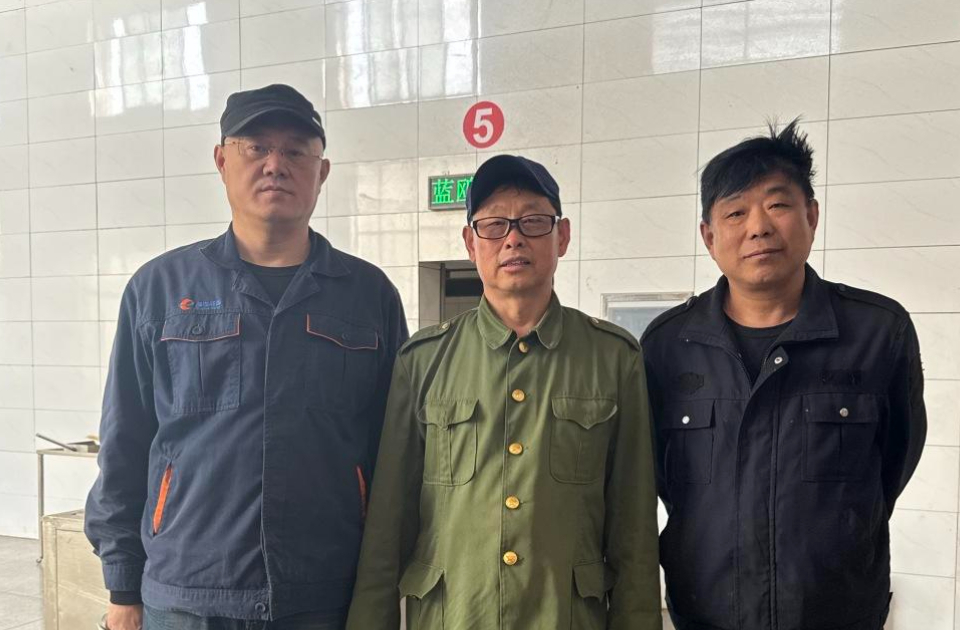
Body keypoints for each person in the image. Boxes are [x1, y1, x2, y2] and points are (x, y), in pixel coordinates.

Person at [85, 84, 408, 630]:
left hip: (326, 593)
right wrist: (122, 584)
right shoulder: (160, 289)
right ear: (221, 161)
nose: (275, 165)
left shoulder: (367, 295)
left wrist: (383, 585)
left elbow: (393, 450)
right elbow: (126, 442)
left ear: (322, 172)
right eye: (256, 148)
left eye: (296, 151)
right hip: (187, 595)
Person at [345, 155, 663, 630]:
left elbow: (633, 532)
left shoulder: (614, 359)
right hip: (452, 617)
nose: (513, 239)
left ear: (563, 236)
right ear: (470, 243)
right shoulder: (423, 361)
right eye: (494, 225)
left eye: (533, 221)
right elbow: (387, 529)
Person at [641, 120, 926, 629]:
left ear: (811, 216)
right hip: (707, 613)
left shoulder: (877, 332)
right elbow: (659, 479)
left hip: (837, 614)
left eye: (777, 204)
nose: (758, 227)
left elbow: (893, 464)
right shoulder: (668, 344)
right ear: (709, 237)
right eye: (735, 212)